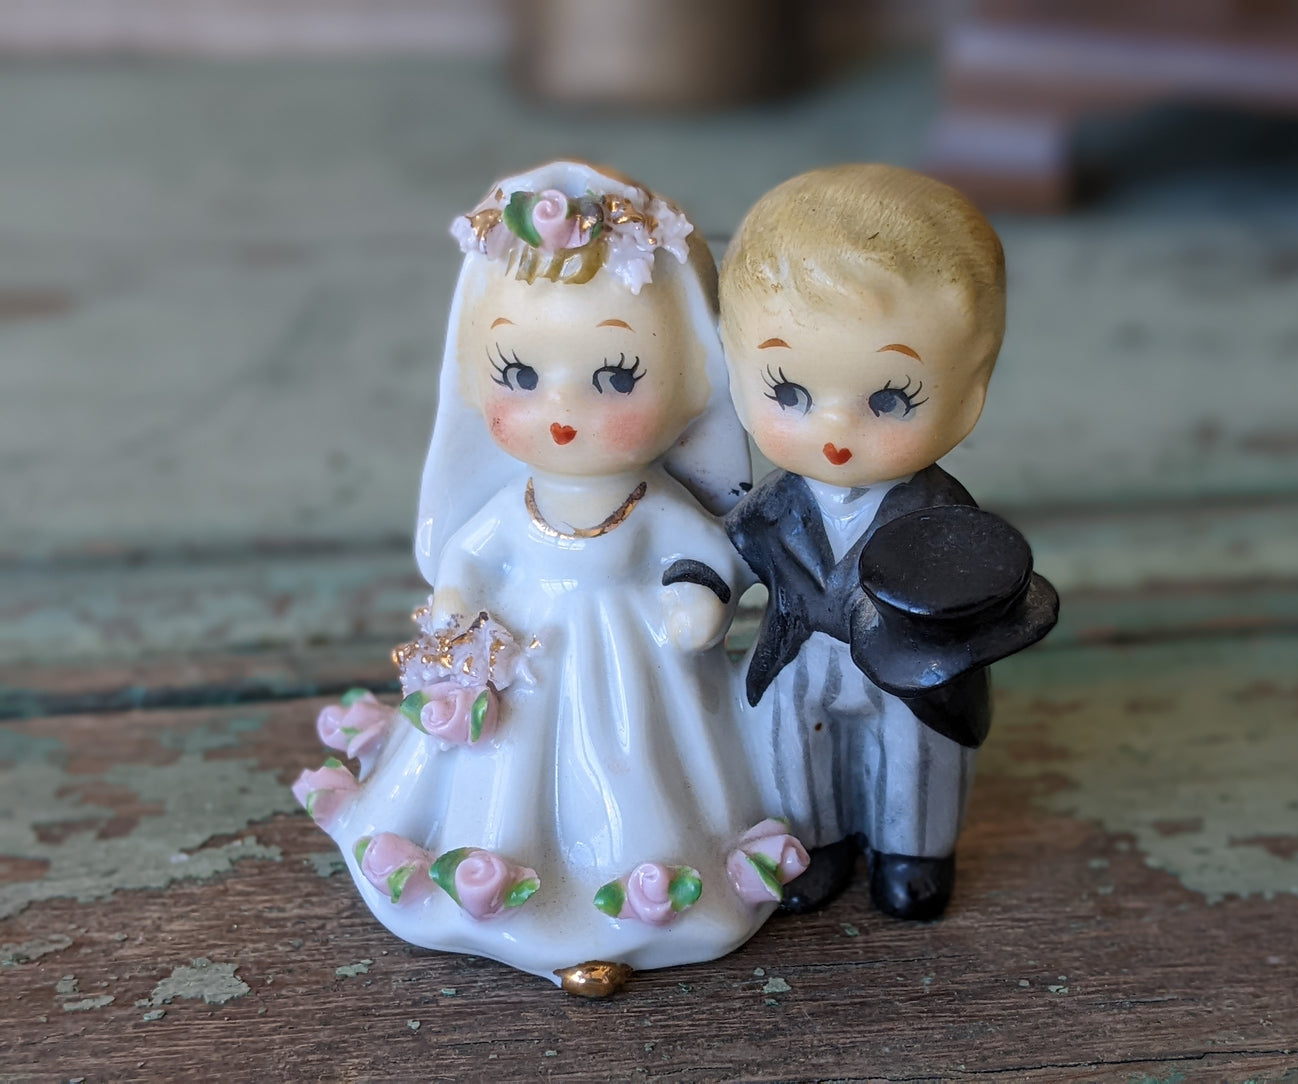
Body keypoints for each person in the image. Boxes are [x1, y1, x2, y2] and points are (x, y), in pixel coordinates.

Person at [294, 161, 807, 994]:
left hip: (632, 675)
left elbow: (710, 556)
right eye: (520, 376)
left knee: (634, 775)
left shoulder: (655, 503)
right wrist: (458, 597)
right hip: (523, 650)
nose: (562, 414)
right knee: (503, 771)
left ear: (692, 381)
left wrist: (696, 603)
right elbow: (469, 553)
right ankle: (502, 880)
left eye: (616, 378)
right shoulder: (515, 501)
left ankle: (636, 886)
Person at [718, 164, 1059, 921]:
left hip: (909, 672)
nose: (835, 430)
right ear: (737, 378)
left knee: (915, 761)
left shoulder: (943, 518)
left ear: (969, 393)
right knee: (789, 748)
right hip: (799, 657)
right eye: (789, 392)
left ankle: (912, 854)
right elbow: (724, 564)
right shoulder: (770, 508)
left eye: (888, 398)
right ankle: (817, 841)